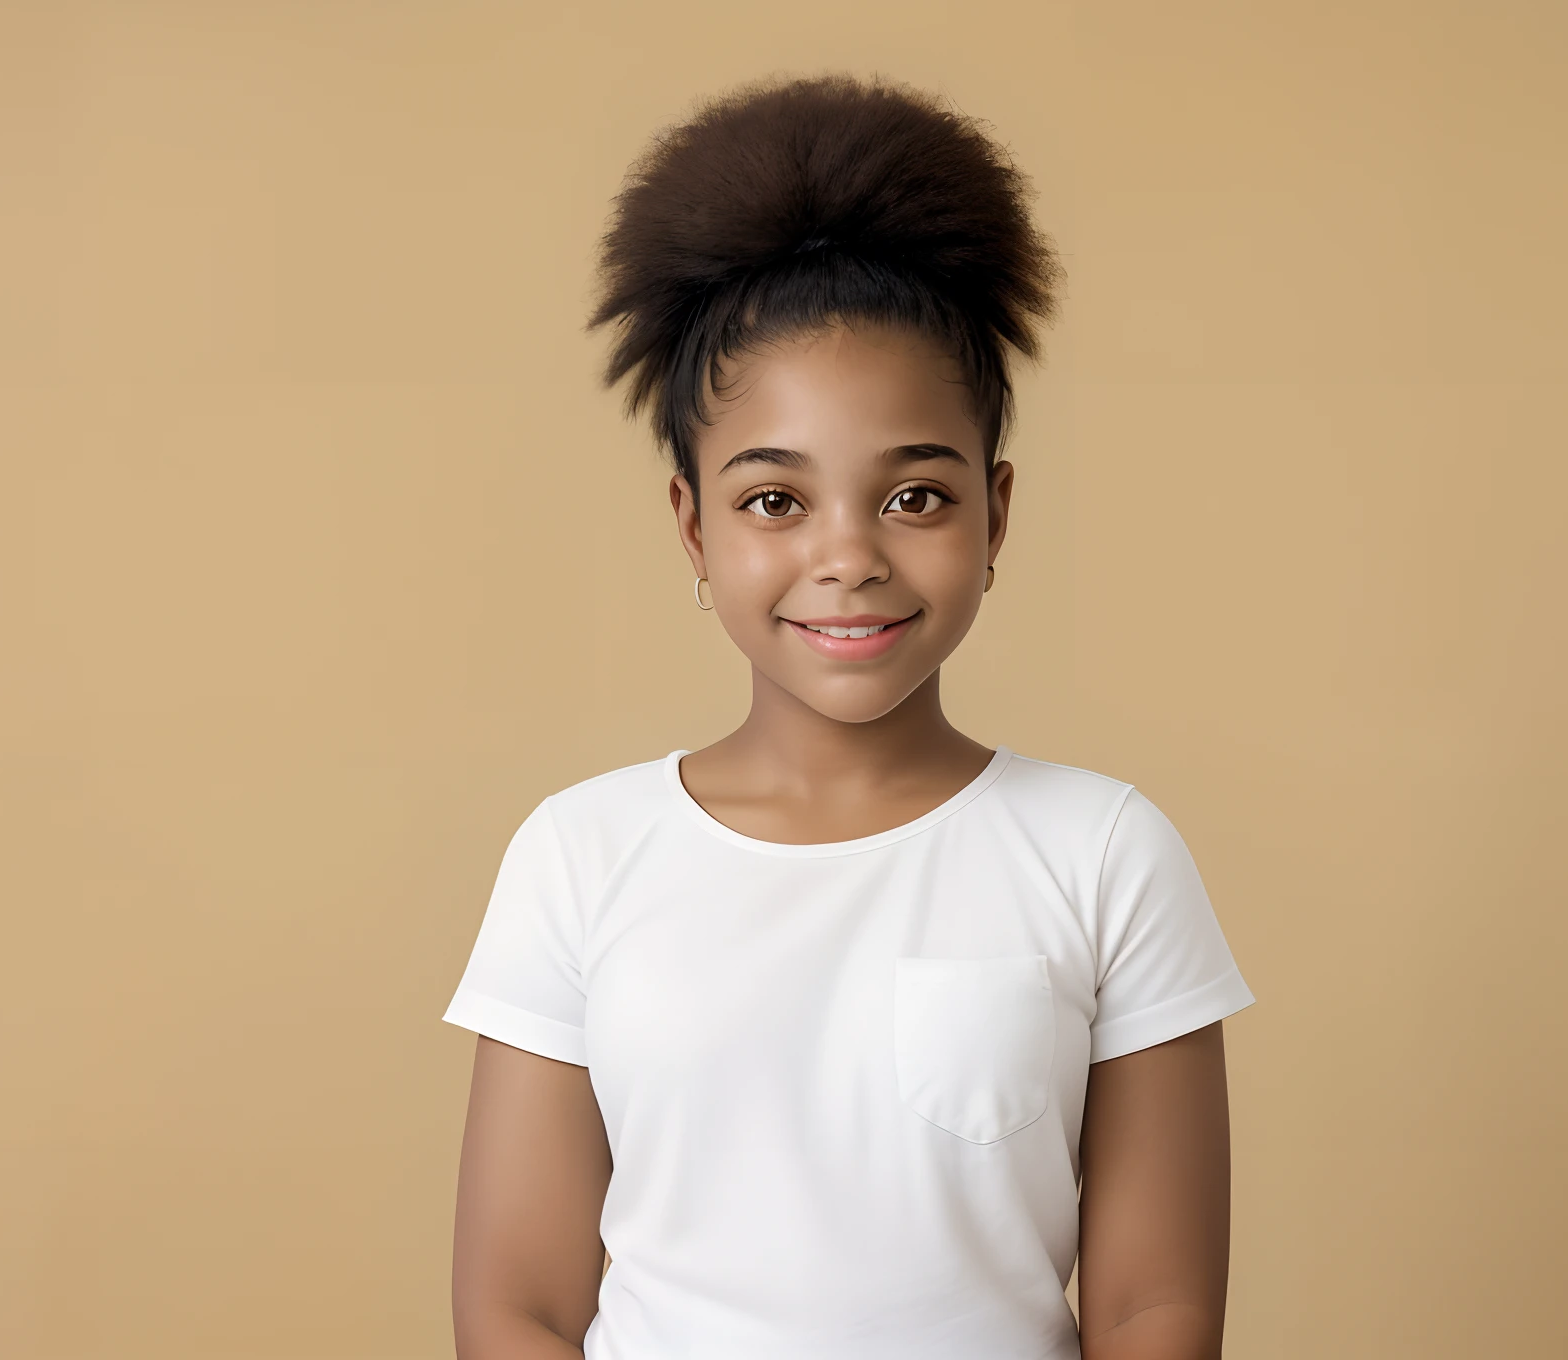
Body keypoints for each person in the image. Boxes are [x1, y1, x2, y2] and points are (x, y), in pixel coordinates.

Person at [441, 73, 1253, 1360]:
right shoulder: (578, 855)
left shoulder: (1103, 851)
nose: (848, 556)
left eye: (913, 497)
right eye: (774, 501)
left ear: (995, 514)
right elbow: (517, 1305)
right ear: (691, 525)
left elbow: (1156, 1307)